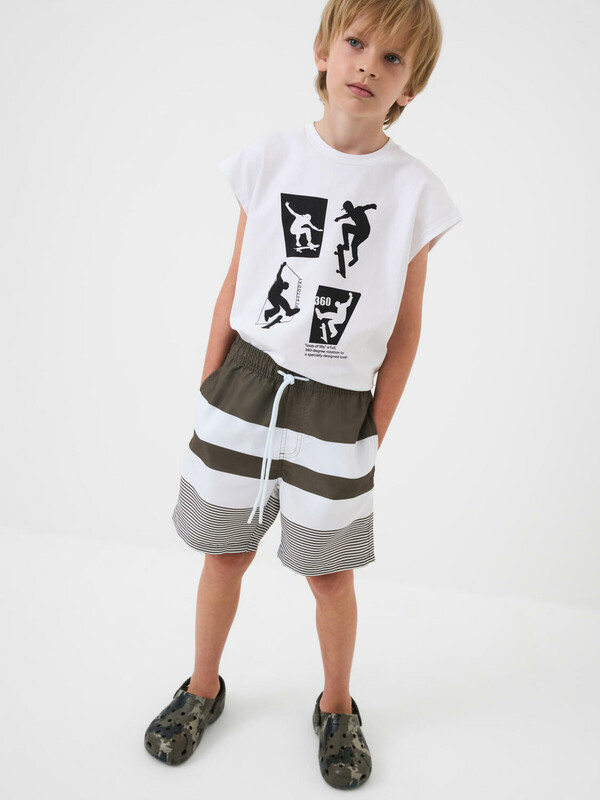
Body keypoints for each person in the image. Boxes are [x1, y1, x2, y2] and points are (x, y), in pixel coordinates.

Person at [144, 0, 462, 790]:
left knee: (330, 573)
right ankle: (202, 688)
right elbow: (235, 279)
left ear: (410, 88)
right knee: (225, 552)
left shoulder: (414, 192)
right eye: (356, 42)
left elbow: (407, 328)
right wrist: (212, 384)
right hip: (244, 388)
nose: (368, 64)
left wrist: (373, 425)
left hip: (336, 406)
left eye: (392, 58)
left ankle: (337, 706)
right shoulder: (271, 159)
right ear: (323, 51)